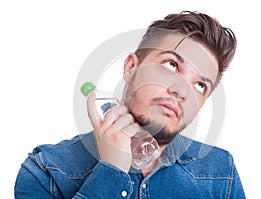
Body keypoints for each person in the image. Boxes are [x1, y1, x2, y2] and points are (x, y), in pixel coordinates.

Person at [15, 11, 246, 198]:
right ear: (130, 67)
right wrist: (111, 171)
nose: (182, 91)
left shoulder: (221, 172)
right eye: (171, 65)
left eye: (200, 85)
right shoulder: (45, 171)